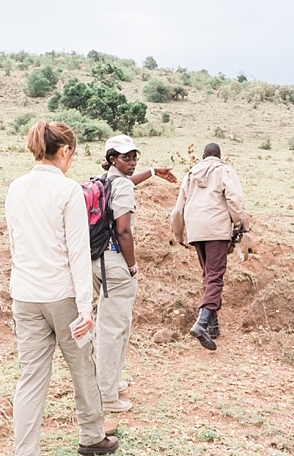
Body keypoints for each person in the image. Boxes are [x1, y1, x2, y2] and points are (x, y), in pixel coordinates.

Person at [4, 120, 119, 456]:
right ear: (65, 151)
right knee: (82, 366)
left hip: (25, 294)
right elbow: (77, 252)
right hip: (63, 295)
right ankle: (91, 436)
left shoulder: (15, 188)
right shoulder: (69, 191)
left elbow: (14, 245)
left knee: (31, 377)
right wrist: (86, 308)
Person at [92, 135, 177, 413]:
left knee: (114, 323)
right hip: (117, 262)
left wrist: (152, 172)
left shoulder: (103, 181)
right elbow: (123, 230)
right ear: (112, 159)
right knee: (113, 329)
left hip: (96, 261)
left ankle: (110, 382)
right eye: (126, 158)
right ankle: (106, 396)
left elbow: (127, 182)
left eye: (134, 157)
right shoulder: (122, 187)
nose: (132, 162)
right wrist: (132, 265)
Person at [169, 142, 249, 351]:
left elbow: (178, 209)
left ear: (203, 157)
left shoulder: (190, 175)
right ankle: (201, 323)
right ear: (220, 156)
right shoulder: (225, 171)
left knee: (208, 274)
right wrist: (240, 225)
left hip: (196, 230)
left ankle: (213, 326)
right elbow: (235, 200)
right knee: (215, 276)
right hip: (216, 229)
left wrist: (178, 234)